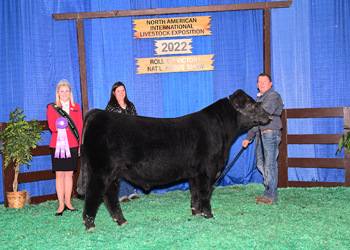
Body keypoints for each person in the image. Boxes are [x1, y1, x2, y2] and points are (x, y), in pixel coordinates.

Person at [242, 73, 283, 204]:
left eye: (264, 81)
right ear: (257, 85)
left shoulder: (273, 96)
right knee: (261, 164)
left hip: (270, 133)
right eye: (259, 82)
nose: (262, 84)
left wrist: (251, 113)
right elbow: (256, 122)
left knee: (269, 164)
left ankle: (271, 195)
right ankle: (268, 192)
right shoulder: (258, 100)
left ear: (270, 84)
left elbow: (263, 113)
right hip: (261, 134)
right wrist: (249, 138)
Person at [47, 79, 83, 216]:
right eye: (62, 91)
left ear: (70, 92)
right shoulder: (52, 107)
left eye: (67, 91)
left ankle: (68, 202)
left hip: (73, 145)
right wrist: (59, 127)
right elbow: (51, 126)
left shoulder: (76, 107)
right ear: (58, 93)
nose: (64, 93)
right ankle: (61, 204)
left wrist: (79, 146)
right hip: (58, 144)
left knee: (69, 174)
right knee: (59, 174)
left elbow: (79, 127)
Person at [105, 81, 139, 202]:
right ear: (114, 93)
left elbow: (137, 122)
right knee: (119, 168)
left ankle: (130, 192)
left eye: (123, 90)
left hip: (130, 141)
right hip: (117, 143)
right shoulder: (110, 107)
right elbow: (107, 125)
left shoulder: (131, 106)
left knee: (130, 167)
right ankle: (120, 194)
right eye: (118, 91)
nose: (121, 93)